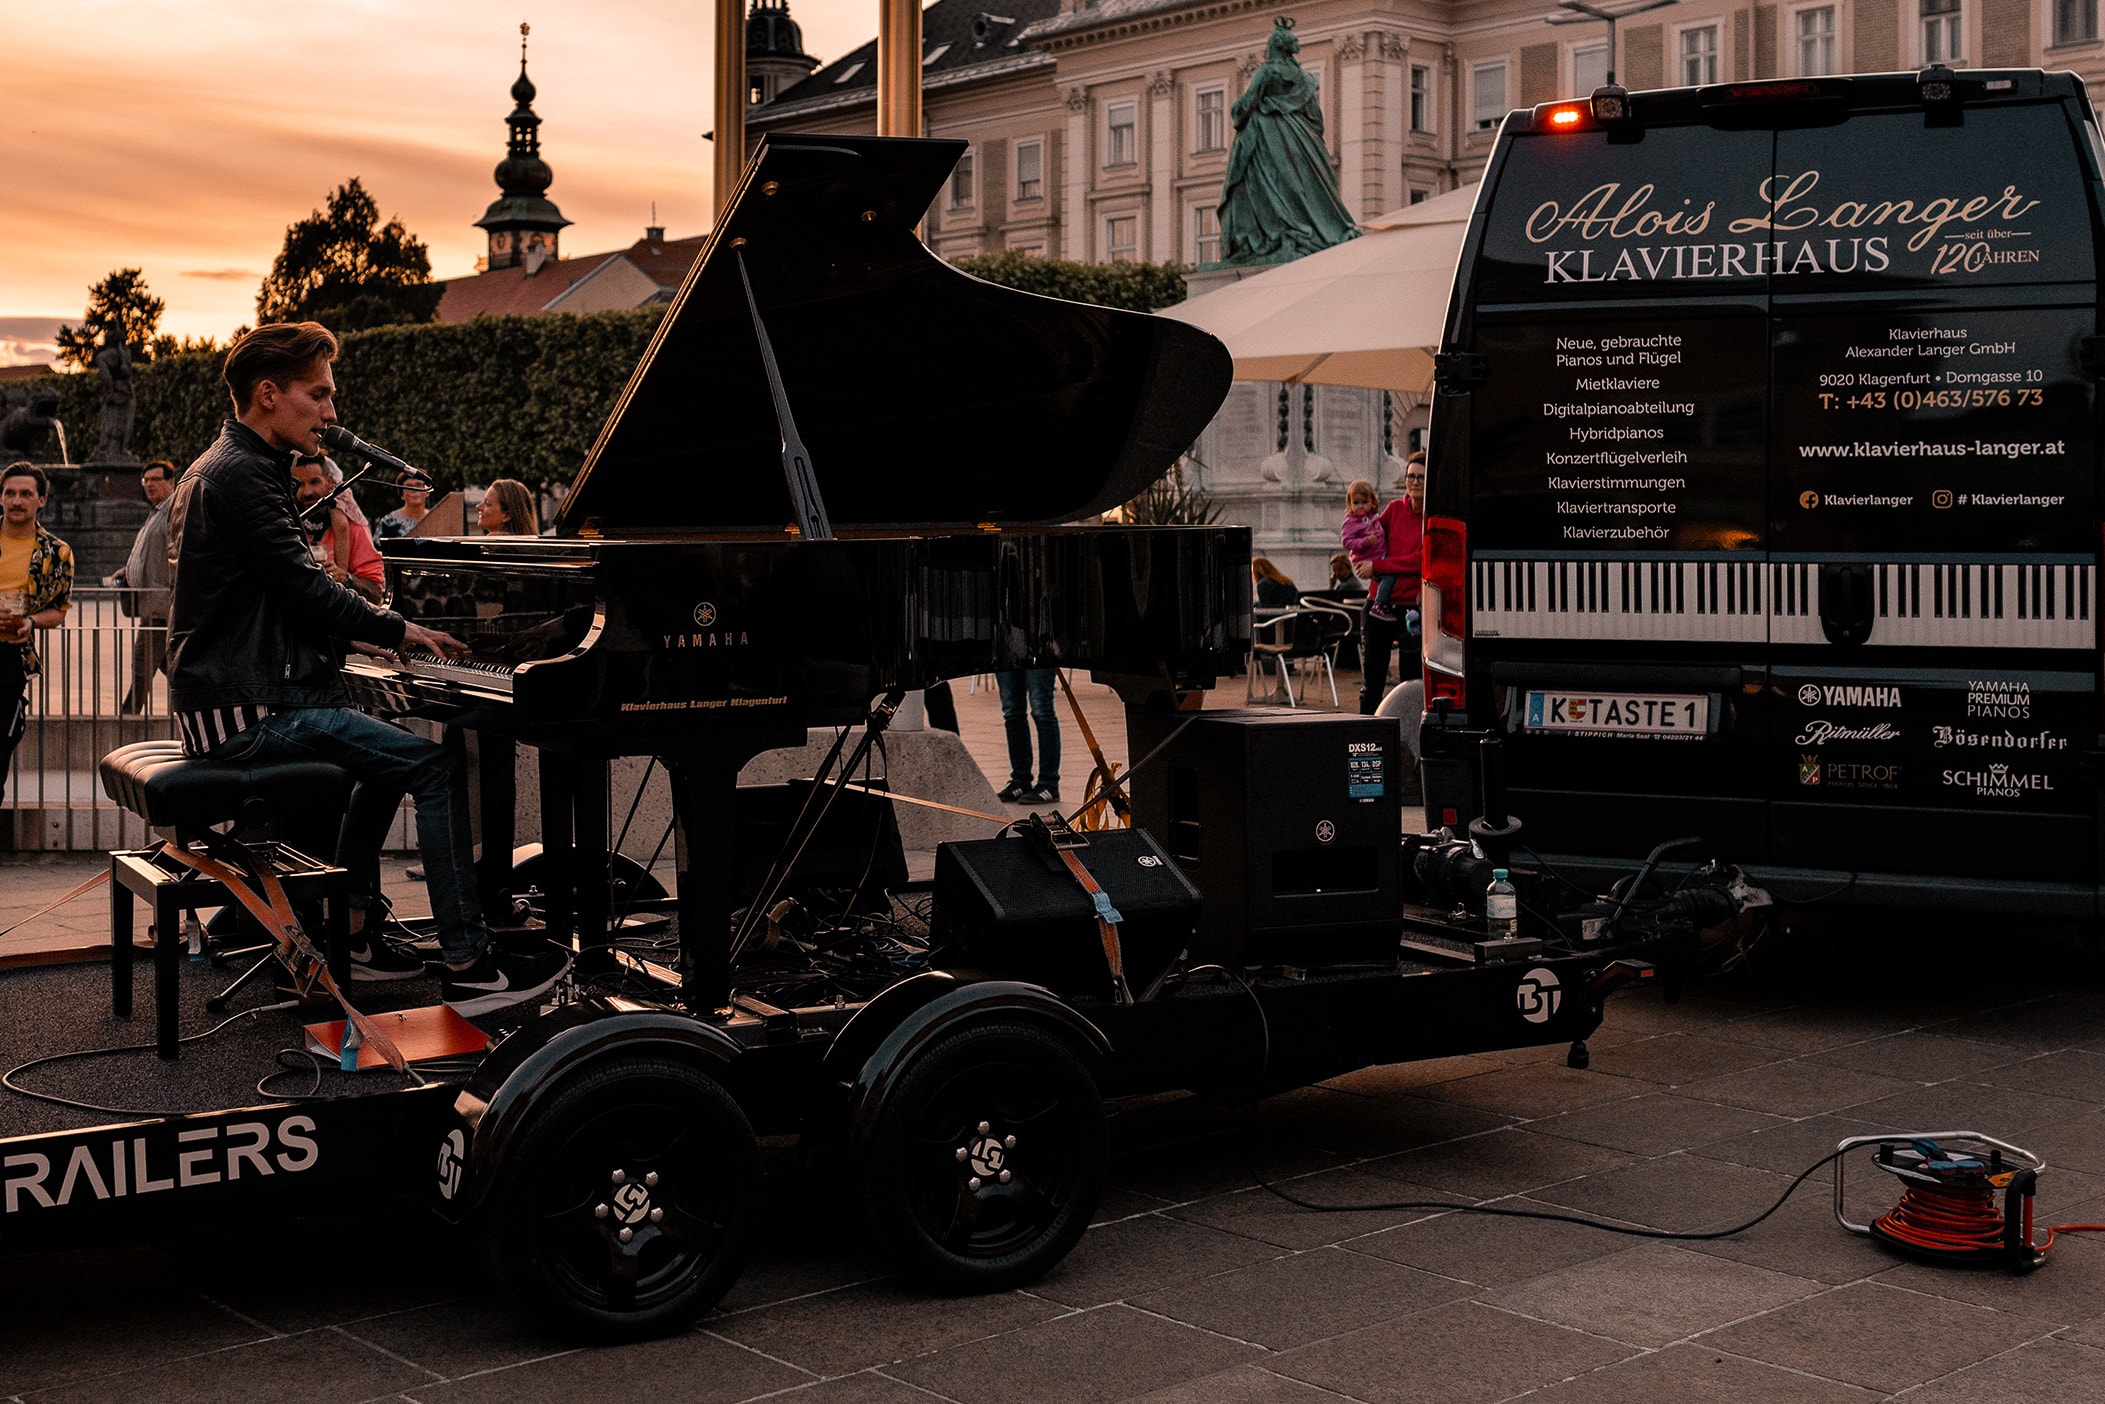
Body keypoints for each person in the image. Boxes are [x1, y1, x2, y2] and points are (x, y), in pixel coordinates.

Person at [165, 321, 568, 1014]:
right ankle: (471, 965)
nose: (330, 412)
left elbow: (276, 598)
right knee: (435, 769)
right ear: (268, 394)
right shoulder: (240, 475)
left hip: (243, 694)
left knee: (388, 759)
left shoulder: (235, 466)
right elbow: (304, 587)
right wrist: (399, 628)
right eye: (318, 395)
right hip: (248, 710)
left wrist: (374, 643)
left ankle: (350, 928)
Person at [0, 463, 72, 792]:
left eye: (25, 494)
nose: (17, 500)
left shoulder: (56, 553)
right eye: (10, 493)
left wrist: (30, 622)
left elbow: (58, 611)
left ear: (40, 500)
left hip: (11, 658)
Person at [1356, 452, 1426, 715]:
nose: (1415, 482)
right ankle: (1364, 738)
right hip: (1377, 605)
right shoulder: (1394, 509)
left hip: (1411, 608)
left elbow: (1419, 560)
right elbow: (1372, 540)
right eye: (1410, 476)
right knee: (1371, 682)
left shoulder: (1431, 518)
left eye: (1420, 477)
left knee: (1410, 682)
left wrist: (1380, 566)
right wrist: (1361, 556)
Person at [116, 459, 177, 713]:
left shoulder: (174, 510)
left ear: (171, 482)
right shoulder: (156, 511)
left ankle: (126, 719)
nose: (150, 485)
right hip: (153, 605)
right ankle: (191, 711)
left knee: (142, 666)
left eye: (156, 479)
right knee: (168, 668)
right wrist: (129, 571)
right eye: (146, 481)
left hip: (161, 606)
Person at [291, 454, 384, 603]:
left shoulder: (354, 527)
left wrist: (345, 579)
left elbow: (376, 593)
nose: (307, 492)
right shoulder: (286, 523)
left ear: (329, 483)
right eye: (300, 484)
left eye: (314, 482)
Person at [995, 668, 1061, 805]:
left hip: (1039, 651)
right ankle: (1020, 780)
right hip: (1007, 648)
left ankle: (1049, 783)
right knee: (1011, 711)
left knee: (1042, 711)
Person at [1340, 479, 1399, 621]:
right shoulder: (1351, 522)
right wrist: (1365, 541)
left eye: (1364, 502)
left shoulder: (1373, 518)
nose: (1360, 506)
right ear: (1350, 504)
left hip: (1379, 555)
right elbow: (1347, 542)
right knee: (1390, 576)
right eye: (1356, 503)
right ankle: (1379, 604)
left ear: (1372, 502)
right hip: (1366, 559)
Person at [375, 471, 433, 538]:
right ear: (402, 495)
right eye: (409, 486)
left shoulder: (436, 519)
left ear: (427, 491)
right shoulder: (388, 522)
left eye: (418, 485)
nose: (414, 490)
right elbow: (375, 547)